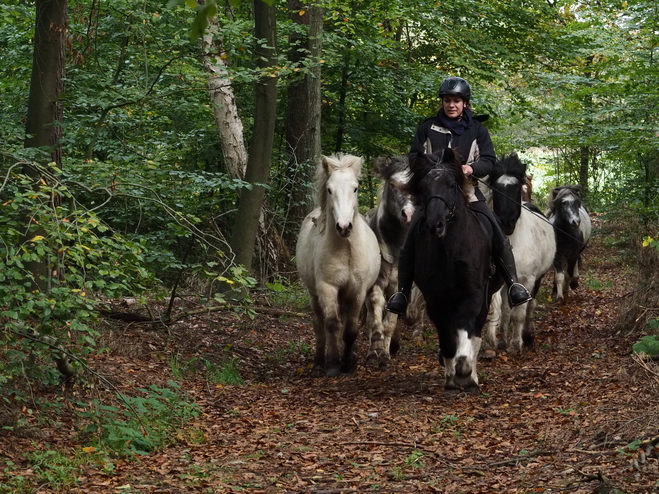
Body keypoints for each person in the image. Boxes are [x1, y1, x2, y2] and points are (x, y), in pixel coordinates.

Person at [386, 76, 532, 315]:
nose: (451, 105)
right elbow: (414, 157)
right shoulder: (427, 128)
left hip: (468, 192)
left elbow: (489, 161)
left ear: (465, 103)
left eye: (456, 100)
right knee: (411, 236)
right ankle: (401, 292)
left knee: (495, 229)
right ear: (442, 102)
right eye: (447, 100)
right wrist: (433, 167)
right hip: (434, 194)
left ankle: (514, 283)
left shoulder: (477, 129)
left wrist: (470, 168)